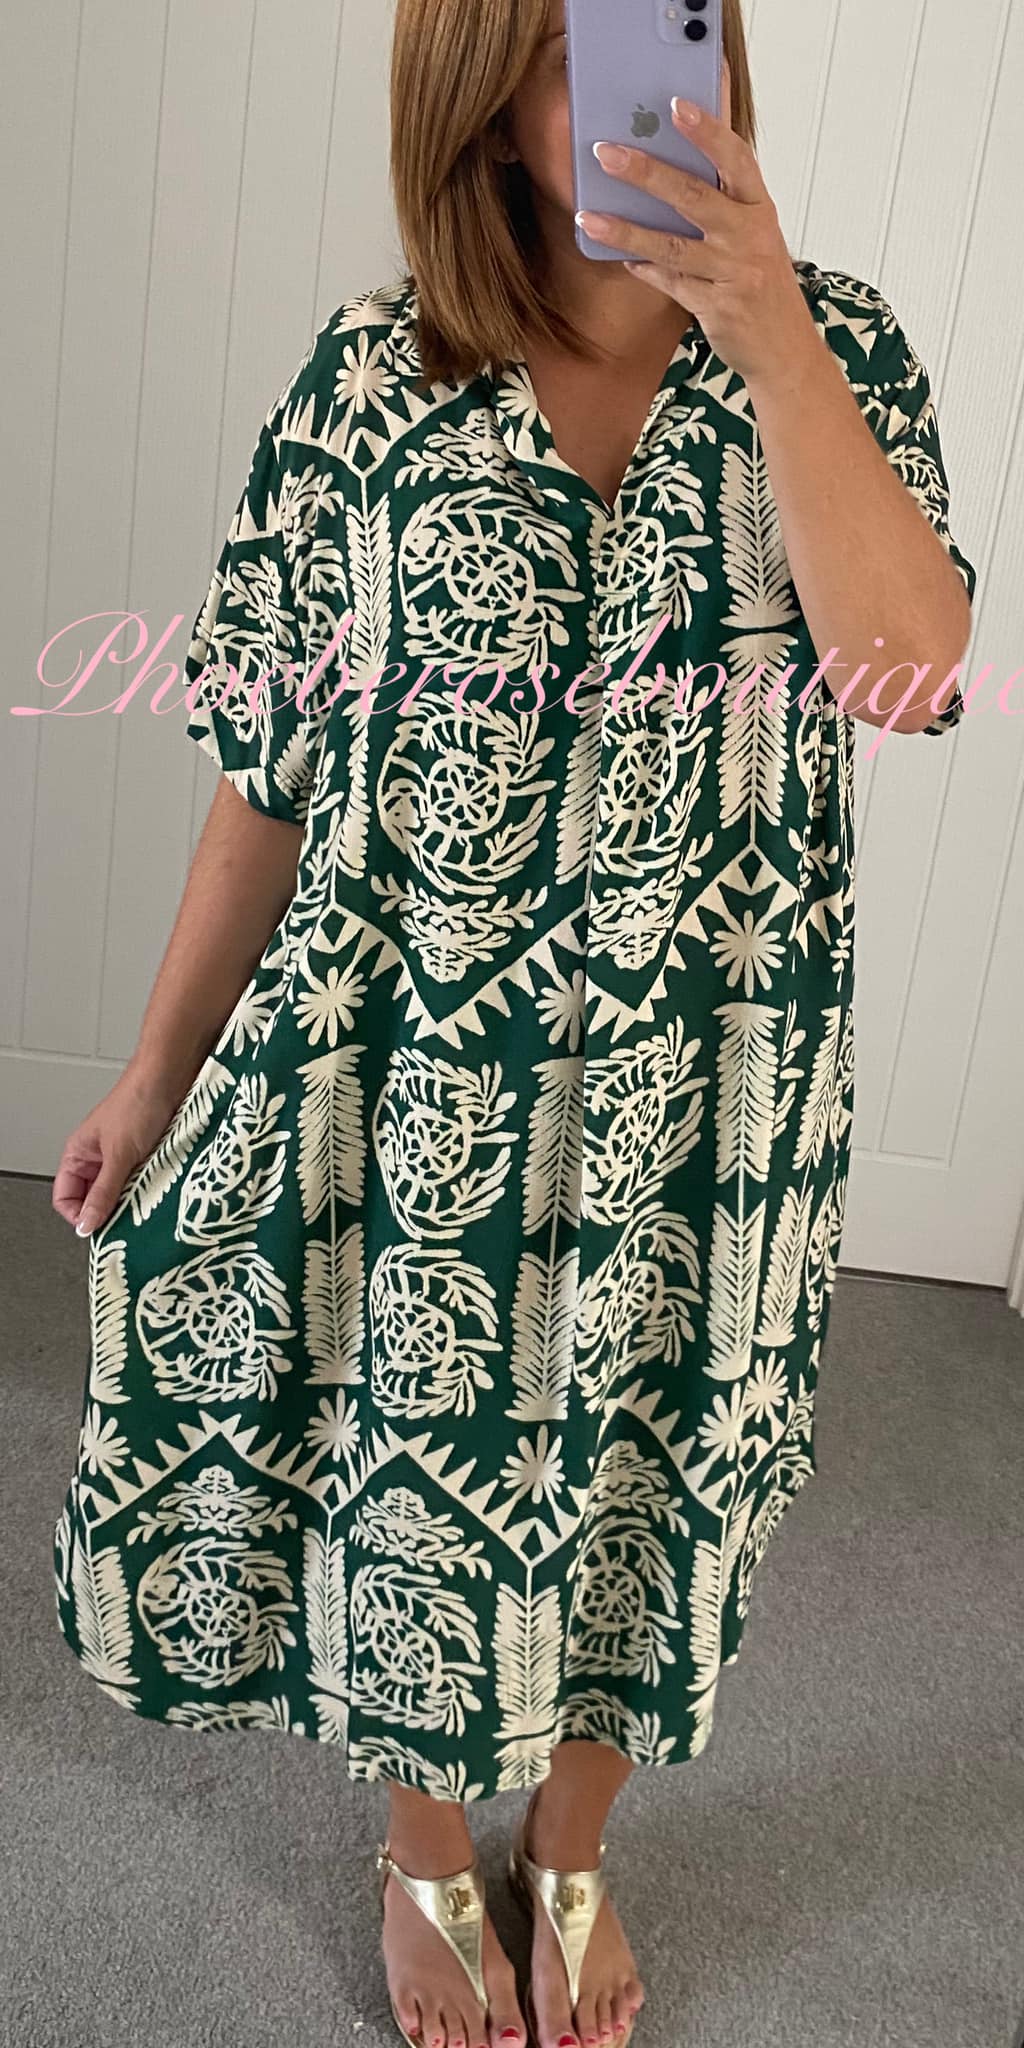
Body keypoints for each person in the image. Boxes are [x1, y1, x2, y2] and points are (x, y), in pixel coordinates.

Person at [50, 2, 977, 2046]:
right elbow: (266, 773)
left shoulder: (838, 349)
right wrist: (154, 1068)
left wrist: (766, 331)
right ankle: (417, 1854)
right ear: (478, 97)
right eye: (574, 42)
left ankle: (567, 1845)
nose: (649, 82)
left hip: (712, 1082)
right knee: (408, 1474)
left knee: (664, 1465)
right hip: (409, 1067)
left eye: (675, 19)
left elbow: (907, 678)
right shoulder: (365, 383)